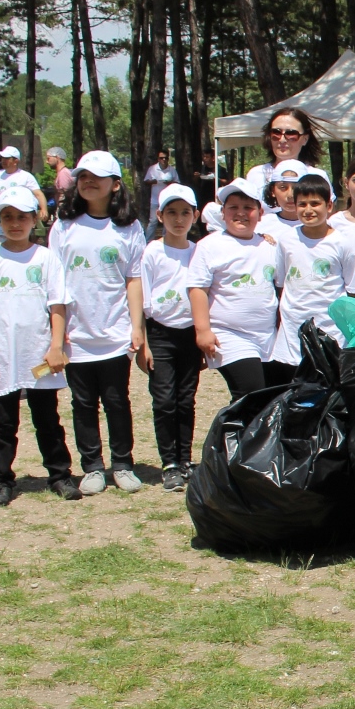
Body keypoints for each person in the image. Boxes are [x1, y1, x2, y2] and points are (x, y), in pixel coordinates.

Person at [0, 184, 76, 506]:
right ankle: (2, 481)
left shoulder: (46, 258)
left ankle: (59, 475)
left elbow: (58, 305)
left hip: (37, 354)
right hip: (2, 354)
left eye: (22, 217)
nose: (15, 223)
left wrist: (56, 346)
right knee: (3, 423)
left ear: (34, 220)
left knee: (47, 419)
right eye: (8, 217)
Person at [49, 151, 146, 495]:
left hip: (114, 331)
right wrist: (57, 337)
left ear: (115, 184)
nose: (88, 182)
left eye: (97, 177)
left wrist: (137, 328)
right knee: (83, 403)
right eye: (83, 176)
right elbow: (55, 283)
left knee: (117, 400)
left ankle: (122, 464)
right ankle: (92, 467)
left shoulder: (129, 227)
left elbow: (134, 279)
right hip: (77, 334)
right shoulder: (63, 225)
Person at [188, 178, 286, 400]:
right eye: (233, 207)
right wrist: (203, 330)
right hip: (229, 335)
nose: (241, 213)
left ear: (260, 213)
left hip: (267, 337)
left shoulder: (270, 245)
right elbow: (197, 289)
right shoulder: (210, 246)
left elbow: (279, 286)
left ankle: (249, 435)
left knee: (269, 397)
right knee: (250, 391)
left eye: (248, 208)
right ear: (222, 213)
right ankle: (229, 434)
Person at [140, 184, 202, 491]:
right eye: (172, 213)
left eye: (185, 213)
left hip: (190, 334)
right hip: (160, 334)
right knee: (164, 399)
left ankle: (186, 459)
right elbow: (143, 299)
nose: (179, 220)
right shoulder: (152, 251)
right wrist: (144, 343)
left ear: (196, 216)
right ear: (160, 215)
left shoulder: (199, 251)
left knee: (185, 399)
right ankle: (170, 463)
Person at [270, 172, 355, 367]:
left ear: (329, 206)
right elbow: (282, 283)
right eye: (302, 204)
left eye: (315, 204)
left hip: (330, 328)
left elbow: (353, 291)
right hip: (293, 328)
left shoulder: (343, 243)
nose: (308, 210)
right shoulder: (286, 240)